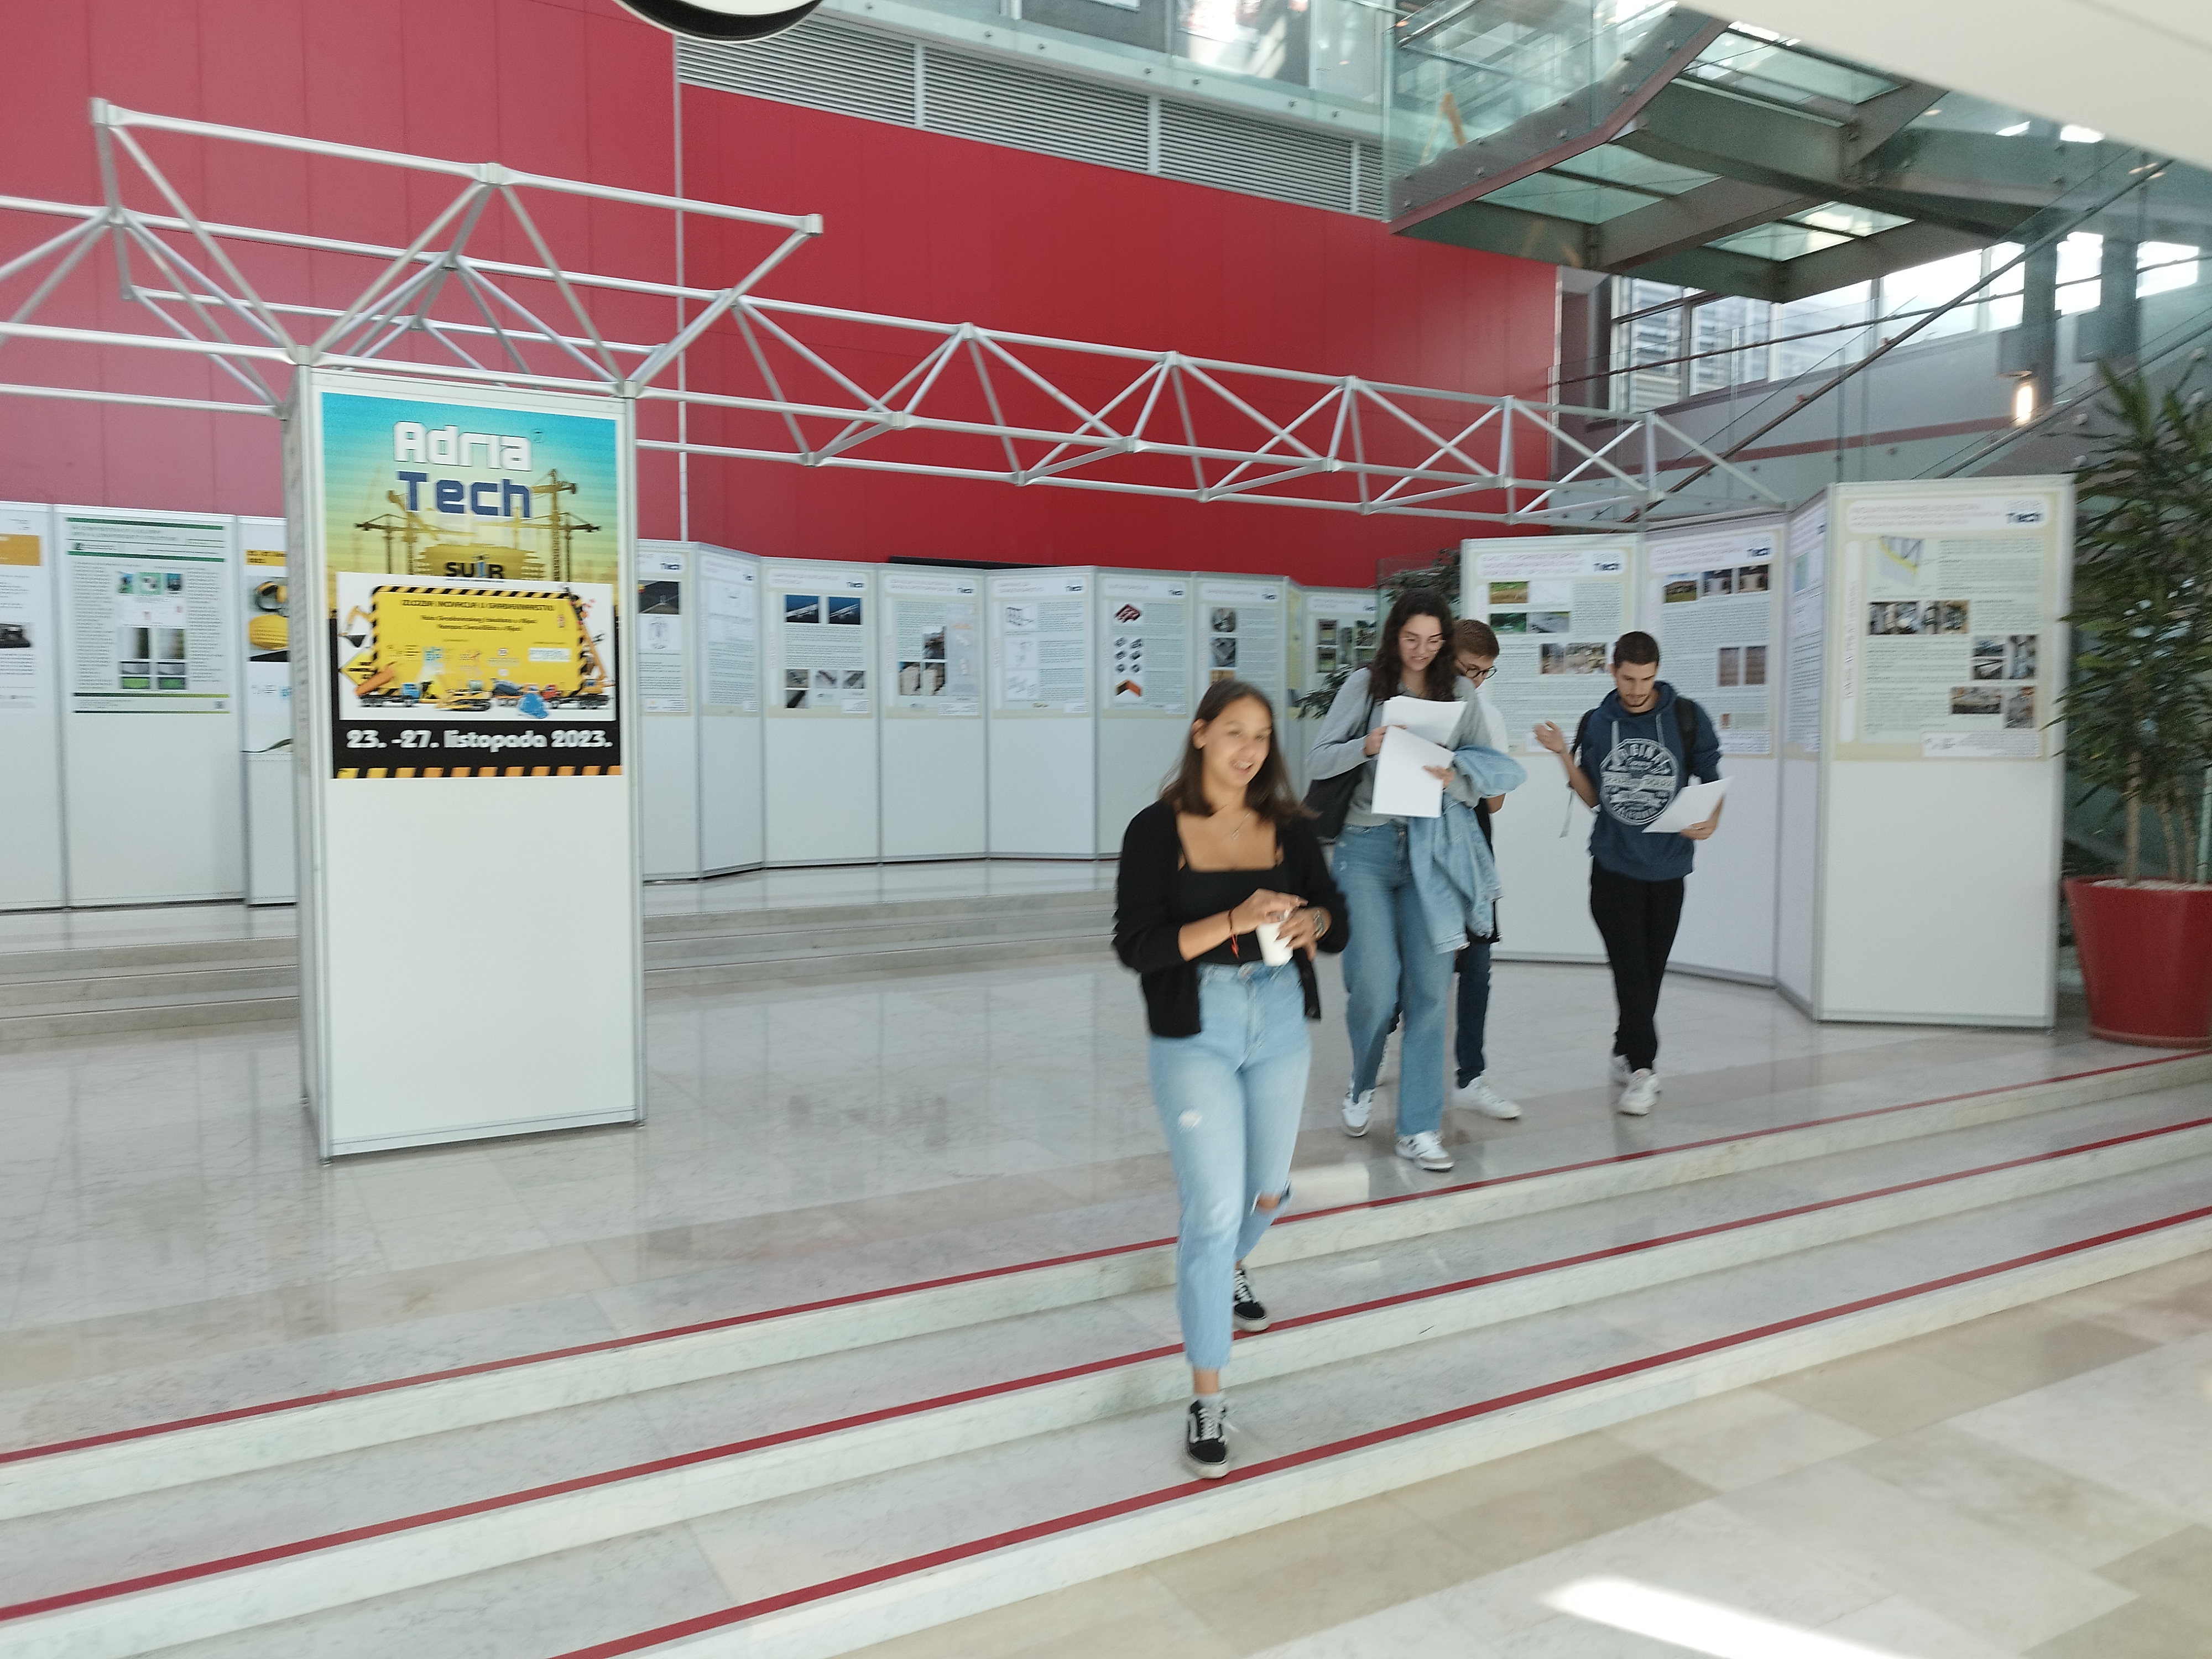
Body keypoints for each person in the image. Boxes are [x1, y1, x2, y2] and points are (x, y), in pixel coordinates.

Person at [1114, 679, 1348, 1479]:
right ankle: (1207, 1395)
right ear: (1201, 734)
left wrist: (1312, 920)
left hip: (1278, 1013)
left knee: (1268, 1192)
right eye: (1235, 732)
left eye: (1261, 737)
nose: (1249, 750)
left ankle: (1230, 1262)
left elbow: (1335, 918)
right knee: (1213, 1212)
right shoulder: (1155, 829)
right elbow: (1138, 946)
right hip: (1195, 1025)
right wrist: (1235, 920)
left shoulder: (1288, 825)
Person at [1308, 588, 1503, 1174]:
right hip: (1365, 848)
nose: (1422, 651)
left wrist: (1453, 777)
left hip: (1430, 851)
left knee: (1430, 990)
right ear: (1395, 636)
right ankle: (1362, 1079)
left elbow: (1488, 775)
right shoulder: (1364, 686)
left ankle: (1418, 1127)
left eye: (1434, 641)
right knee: (1374, 986)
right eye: (1412, 639)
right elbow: (1317, 760)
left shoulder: (1460, 692)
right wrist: (1365, 746)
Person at [1532, 630, 1721, 1117]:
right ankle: (1643, 1069)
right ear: (1613, 671)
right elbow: (1593, 797)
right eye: (1628, 679)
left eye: (1646, 679)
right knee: (1631, 970)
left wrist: (1712, 819)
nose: (1637, 690)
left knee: (1649, 972)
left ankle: (1624, 1045)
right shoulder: (1598, 722)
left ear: (1656, 673)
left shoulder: (1687, 716)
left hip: (1669, 868)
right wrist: (1562, 755)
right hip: (1613, 867)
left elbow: (1711, 778)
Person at [1448, 618, 1517, 1122]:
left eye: (1484, 672)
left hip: (1473, 848)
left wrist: (1459, 774)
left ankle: (1471, 1076)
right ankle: (1382, 1040)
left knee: (1477, 964)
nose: (1475, 681)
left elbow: (1495, 801)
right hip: (1419, 844)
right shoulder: (1414, 705)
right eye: (1469, 669)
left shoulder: (1489, 717)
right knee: (1409, 958)